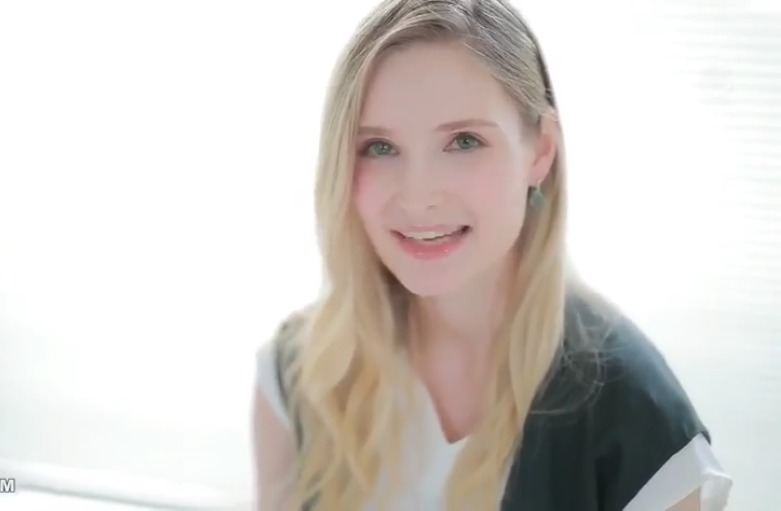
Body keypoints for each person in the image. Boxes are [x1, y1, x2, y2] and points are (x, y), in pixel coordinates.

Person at [251, 0, 733, 509]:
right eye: (380, 147)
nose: (418, 197)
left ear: (540, 151)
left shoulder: (641, 429)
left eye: (464, 141)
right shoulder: (300, 374)